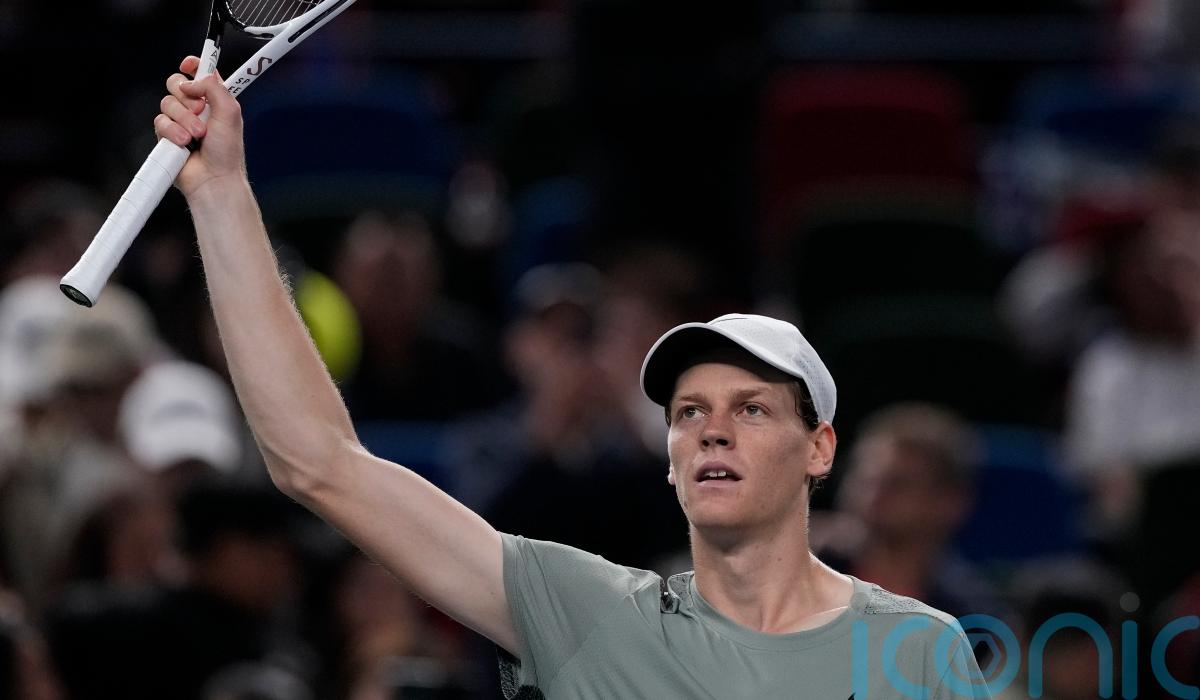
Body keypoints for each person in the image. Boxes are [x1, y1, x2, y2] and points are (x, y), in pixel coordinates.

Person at [153, 57, 990, 698]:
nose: (712, 429)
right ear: (671, 459)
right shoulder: (588, 613)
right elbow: (319, 462)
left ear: (820, 449)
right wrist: (222, 192)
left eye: (752, 410)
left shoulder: (919, 650)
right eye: (689, 411)